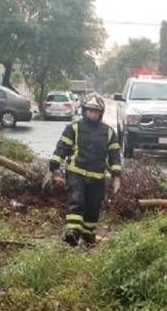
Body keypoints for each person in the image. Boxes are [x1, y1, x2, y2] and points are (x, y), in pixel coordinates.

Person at [44, 93, 121, 246]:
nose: (92, 114)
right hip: (76, 173)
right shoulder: (74, 128)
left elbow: (114, 154)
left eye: (95, 111)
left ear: (101, 113)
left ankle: (87, 235)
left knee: (94, 207)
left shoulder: (108, 132)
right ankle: (72, 233)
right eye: (89, 111)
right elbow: (62, 148)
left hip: (97, 177)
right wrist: (51, 168)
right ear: (84, 111)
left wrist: (116, 176)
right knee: (77, 201)